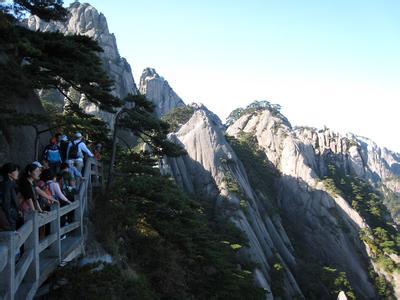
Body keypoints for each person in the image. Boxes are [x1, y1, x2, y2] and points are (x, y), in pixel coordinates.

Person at [0, 163, 21, 230]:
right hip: (9, 216)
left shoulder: (10, 184)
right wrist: (9, 220)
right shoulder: (7, 185)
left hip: (11, 214)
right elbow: (6, 203)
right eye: (16, 171)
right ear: (9, 173)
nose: (18, 172)